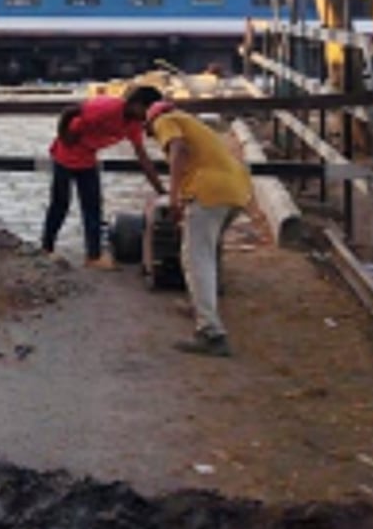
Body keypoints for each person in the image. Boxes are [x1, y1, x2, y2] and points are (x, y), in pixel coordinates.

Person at [145, 102, 252, 358]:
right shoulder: (194, 123)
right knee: (208, 254)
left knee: (196, 259)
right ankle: (202, 306)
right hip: (236, 189)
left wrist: (173, 196)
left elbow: (178, 150)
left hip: (208, 192)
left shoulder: (164, 120)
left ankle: (211, 332)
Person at [42, 86, 167, 270]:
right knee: (60, 203)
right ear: (137, 105)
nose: (149, 117)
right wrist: (63, 136)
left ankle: (93, 256)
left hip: (87, 158)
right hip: (65, 155)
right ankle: (46, 248)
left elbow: (142, 157)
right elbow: (70, 111)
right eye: (148, 111)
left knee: (93, 207)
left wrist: (161, 191)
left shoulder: (133, 125)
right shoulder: (107, 108)